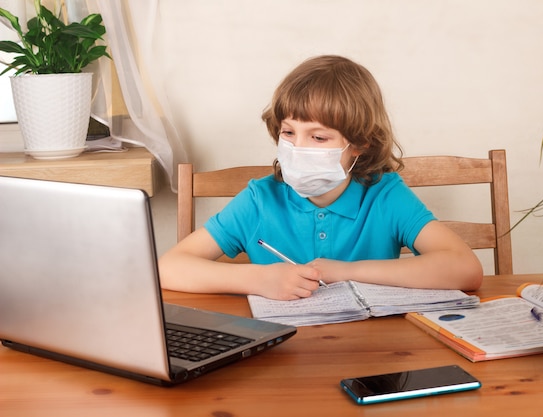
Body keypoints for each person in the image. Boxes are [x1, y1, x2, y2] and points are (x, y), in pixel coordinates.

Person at [158, 55, 483, 300]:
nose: (297, 148)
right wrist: (258, 279)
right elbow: (168, 267)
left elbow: (465, 269)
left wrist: (346, 272)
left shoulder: (384, 196)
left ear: (359, 143)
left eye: (318, 138)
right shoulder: (260, 200)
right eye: (289, 132)